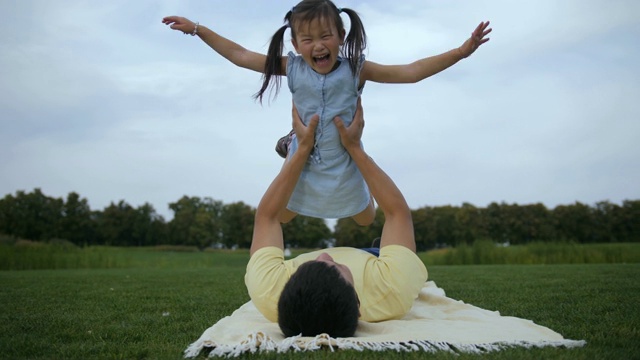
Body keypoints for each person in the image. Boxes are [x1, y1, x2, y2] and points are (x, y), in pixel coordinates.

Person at [162, 1, 491, 226]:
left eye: (325, 36)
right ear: (295, 41)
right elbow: (240, 55)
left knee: (366, 219)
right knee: (283, 216)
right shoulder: (290, 67)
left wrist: (462, 52)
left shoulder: (355, 70)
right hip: (304, 158)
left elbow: (411, 71)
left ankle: (305, 146)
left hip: (342, 155)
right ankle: (293, 140)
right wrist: (197, 29)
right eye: (307, 39)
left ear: (341, 37)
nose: (317, 45)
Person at [244, 99, 428, 338]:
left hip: (365, 264)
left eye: (312, 265)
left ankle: (291, 146)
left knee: (283, 213)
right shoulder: (393, 288)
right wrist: (354, 149)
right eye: (336, 266)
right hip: (375, 261)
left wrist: (300, 150)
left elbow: (267, 217)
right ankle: (376, 247)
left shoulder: (268, 291)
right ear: (358, 305)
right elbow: (396, 213)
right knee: (367, 220)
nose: (325, 254)